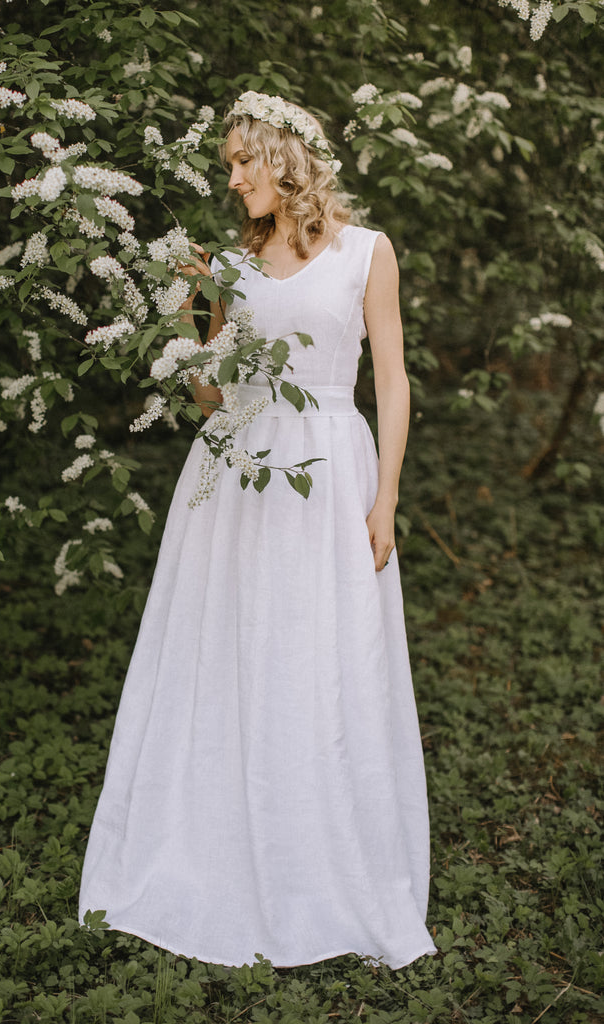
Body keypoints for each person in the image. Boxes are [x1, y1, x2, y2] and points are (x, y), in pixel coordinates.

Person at [79, 91, 437, 970]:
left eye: (244, 160)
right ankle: (214, 851)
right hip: (235, 479)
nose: (232, 177)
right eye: (229, 163)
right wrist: (186, 314)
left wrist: (385, 498)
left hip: (327, 475)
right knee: (233, 655)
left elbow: (390, 383)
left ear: (286, 157)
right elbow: (212, 398)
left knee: (324, 657)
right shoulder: (230, 269)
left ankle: (323, 863)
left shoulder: (364, 253)